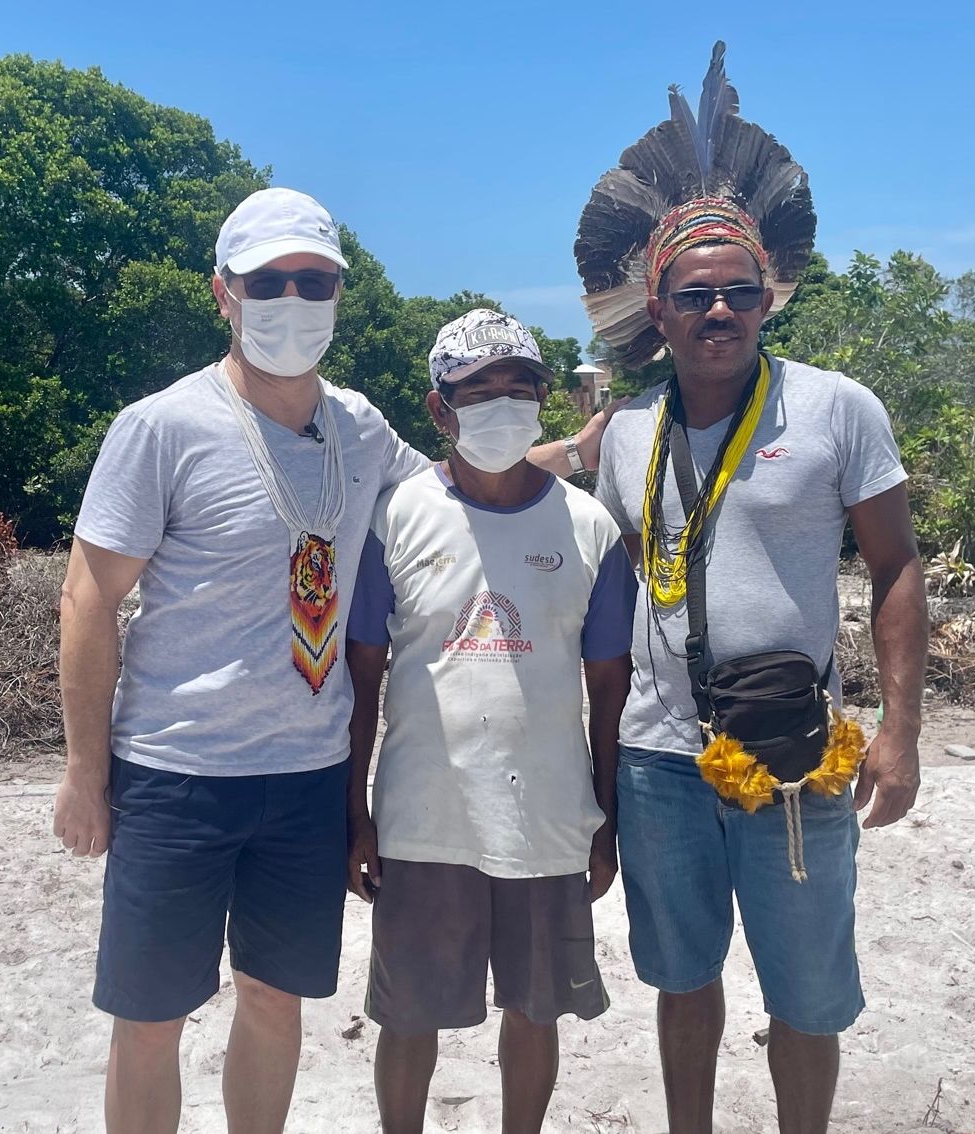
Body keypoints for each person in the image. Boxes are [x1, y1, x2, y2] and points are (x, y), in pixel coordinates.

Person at [53, 189, 613, 1134]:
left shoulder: (358, 429)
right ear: (221, 293)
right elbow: (87, 598)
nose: (292, 299)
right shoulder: (159, 427)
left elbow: (470, 477)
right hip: (176, 773)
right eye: (267, 281)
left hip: (308, 780)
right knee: (149, 1020)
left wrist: (572, 446)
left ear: (339, 295)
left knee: (275, 1006)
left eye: (313, 281)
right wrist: (84, 772)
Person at [570, 45, 930, 1134]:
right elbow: (599, 587)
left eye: (738, 291)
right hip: (656, 760)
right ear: (657, 305)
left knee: (807, 992)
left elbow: (897, 566)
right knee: (681, 981)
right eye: (694, 295)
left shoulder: (837, 410)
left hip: (796, 753)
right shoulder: (625, 432)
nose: (717, 311)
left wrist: (902, 730)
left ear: (769, 293)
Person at [343, 309, 634, 1134]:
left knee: (534, 1012)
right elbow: (362, 676)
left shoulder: (590, 529)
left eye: (519, 387)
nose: (501, 404)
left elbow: (607, 687)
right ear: (440, 409)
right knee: (407, 1016)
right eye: (478, 390)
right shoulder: (394, 516)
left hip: (545, 816)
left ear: (546, 399)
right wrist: (353, 809)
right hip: (419, 818)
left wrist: (606, 820)